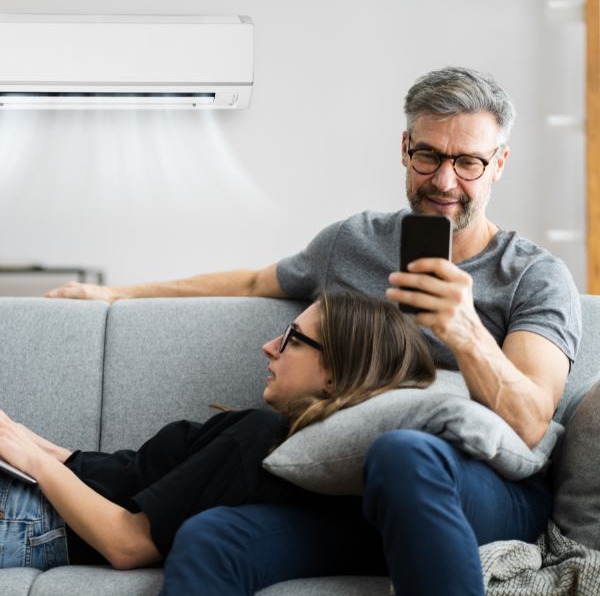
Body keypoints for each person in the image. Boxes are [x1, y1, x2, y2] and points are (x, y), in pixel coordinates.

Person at [46, 67, 582, 595]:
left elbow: (531, 421)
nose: (445, 181)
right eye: (429, 156)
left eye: (468, 162)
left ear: (499, 164)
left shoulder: (533, 277)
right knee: (212, 536)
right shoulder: (353, 243)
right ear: (404, 148)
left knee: (402, 454)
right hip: (346, 500)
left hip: (479, 494)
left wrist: (465, 331)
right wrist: (115, 294)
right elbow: (257, 279)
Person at [0, 291, 434, 571]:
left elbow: (126, 544)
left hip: (38, 518)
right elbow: (127, 475)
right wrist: (22, 436)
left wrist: (33, 459)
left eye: (293, 339)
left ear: (336, 377)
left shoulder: (262, 440)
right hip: (44, 496)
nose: (269, 346)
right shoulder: (277, 441)